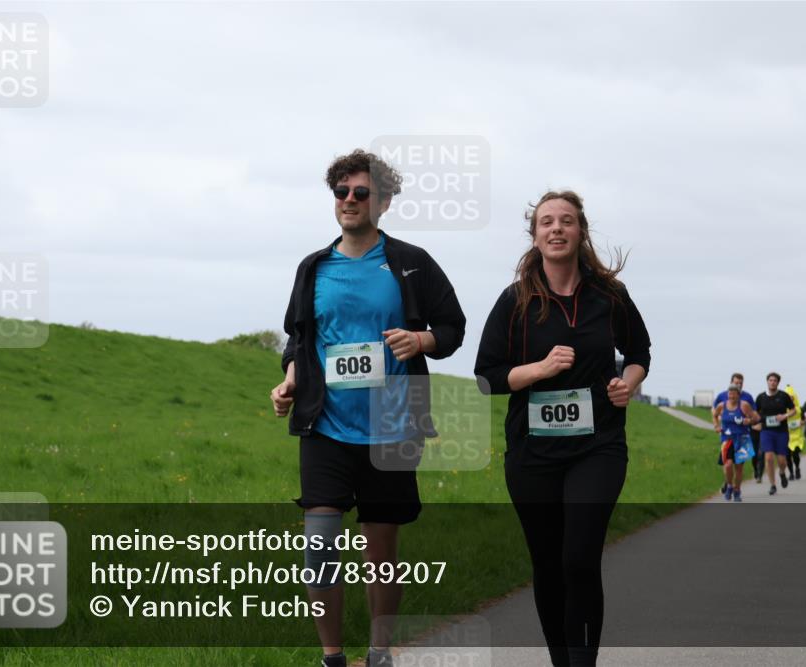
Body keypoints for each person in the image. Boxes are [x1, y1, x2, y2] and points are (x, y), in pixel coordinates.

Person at [271, 149, 466, 667]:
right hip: (326, 426)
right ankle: (332, 657)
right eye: (342, 192)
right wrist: (290, 380)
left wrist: (420, 340)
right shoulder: (313, 268)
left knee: (380, 555)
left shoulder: (411, 262)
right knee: (319, 548)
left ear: (383, 201)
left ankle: (380, 654)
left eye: (362, 193)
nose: (350, 201)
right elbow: (298, 340)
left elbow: (452, 329)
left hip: (391, 423)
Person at [475, 190, 650, 667]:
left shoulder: (609, 296)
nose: (556, 228)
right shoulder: (515, 302)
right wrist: (538, 370)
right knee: (549, 565)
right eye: (546, 221)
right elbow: (487, 378)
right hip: (533, 453)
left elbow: (639, 354)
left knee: (579, 558)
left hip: (598, 446)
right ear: (535, 236)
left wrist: (627, 384)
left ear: (581, 232)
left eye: (566, 221)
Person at [711, 373, 758, 488]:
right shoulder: (722, 396)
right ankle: (728, 482)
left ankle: (736, 489)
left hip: (742, 436)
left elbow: (755, 415)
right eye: (736, 382)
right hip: (727, 436)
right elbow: (714, 410)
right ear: (731, 382)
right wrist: (717, 425)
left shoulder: (747, 398)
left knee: (738, 466)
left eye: (740, 383)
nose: (738, 385)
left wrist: (749, 421)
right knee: (727, 463)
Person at [754, 372, 796, 495]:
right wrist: (756, 422)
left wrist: (785, 416)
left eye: (775, 380)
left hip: (781, 432)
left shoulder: (784, 396)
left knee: (782, 461)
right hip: (766, 431)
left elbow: (793, 410)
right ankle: (772, 485)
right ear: (767, 382)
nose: (772, 382)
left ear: (778, 383)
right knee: (768, 457)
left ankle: (782, 473)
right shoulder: (761, 397)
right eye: (770, 380)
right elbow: (755, 413)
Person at [783, 383, 805, 481]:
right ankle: (791, 473)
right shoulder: (782, 409)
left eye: (791, 397)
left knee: (795, 455)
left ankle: (797, 468)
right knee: (787, 456)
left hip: (797, 436)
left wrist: (801, 423)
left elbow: (804, 420)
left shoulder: (800, 409)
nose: (790, 399)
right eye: (788, 397)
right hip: (786, 435)